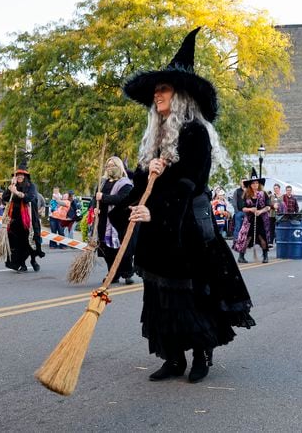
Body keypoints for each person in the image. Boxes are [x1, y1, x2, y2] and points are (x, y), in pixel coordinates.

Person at [112, 27, 255, 383]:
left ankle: (201, 356)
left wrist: (155, 210)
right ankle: (173, 357)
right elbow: (141, 187)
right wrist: (118, 205)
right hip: (157, 234)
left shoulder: (195, 133)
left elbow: (191, 185)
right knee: (159, 297)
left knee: (191, 297)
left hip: (186, 230)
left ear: (181, 95)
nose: (157, 95)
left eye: (163, 89)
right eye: (156, 90)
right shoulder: (155, 139)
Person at [95, 156, 134, 284]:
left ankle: (127, 273)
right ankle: (113, 274)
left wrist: (104, 198)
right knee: (107, 250)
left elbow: (123, 199)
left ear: (119, 167)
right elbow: (95, 199)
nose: (109, 168)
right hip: (104, 221)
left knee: (122, 249)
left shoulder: (125, 183)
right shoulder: (103, 182)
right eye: (108, 165)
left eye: (112, 165)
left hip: (118, 222)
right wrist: (95, 208)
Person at [2, 161, 45, 271]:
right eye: (17, 175)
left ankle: (33, 260)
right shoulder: (12, 186)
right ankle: (21, 264)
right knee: (17, 244)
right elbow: (5, 198)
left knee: (31, 242)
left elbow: (29, 198)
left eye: (22, 175)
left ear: (25, 176)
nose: (19, 177)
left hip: (29, 220)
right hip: (15, 221)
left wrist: (16, 192)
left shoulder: (31, 186)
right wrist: (10, 189)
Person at [233, 169, 271, 263]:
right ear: (250, 185)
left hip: (261, 219)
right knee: (246, 238)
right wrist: (251, 209)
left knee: (263, 237)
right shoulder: (246, 194)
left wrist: (260, 211)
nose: (255, 185)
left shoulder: (263, 194)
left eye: (257, 183)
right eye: (253, 183)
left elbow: (268, 206)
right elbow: (242, 208)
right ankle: (241, 256)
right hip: (250, 220)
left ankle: (265, 255)